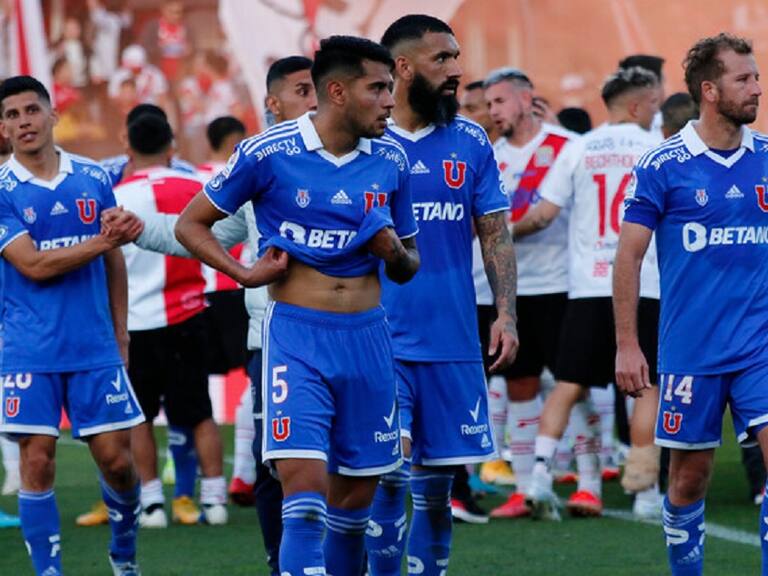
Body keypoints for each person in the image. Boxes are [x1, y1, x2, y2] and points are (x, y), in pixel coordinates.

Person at [174, 36, 419, 575]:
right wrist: (242, 272)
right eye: (378, 88)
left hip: (368, 339)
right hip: (296, 338)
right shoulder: (268, 153)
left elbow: (409, 264)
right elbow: (190, 223)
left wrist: (392, 251)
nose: (389, 101)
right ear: (337, 91)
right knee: (304, 496)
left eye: (391, 89)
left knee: (355, 502)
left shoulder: (393, 157)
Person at [127, 55, 318, 576]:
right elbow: (196, 229)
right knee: (275, 463)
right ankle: (282, 563)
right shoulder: (256, 164)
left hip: (350, 334)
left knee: (353, 465)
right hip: (274, 340)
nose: (316, 97)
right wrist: (138, 228)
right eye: (303, 90)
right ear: (273, 104)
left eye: (319, 88)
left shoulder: (364, 156)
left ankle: (348, 560)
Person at [366, 15, 518, 575]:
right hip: (377, 339)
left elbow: (495, 232)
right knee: (387, 476)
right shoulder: (367, 142)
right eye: (443, 60)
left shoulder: (470, 140)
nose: (457, 71)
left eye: (457, 57)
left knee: (435, 491)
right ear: (402, 67)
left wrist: (506, 315)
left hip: (453, 340)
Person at [615, 33, 768, 575]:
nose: (756, 88)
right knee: (688, 478)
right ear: (709, 90)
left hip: (760, 347)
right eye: (743, 79)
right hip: (691, 350)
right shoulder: (664, 164)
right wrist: (629, 346)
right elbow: (628, 257)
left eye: (756, 77)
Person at [0, 75, 144, 575]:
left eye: (31, 110)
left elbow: (115, 262)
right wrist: (106, 240)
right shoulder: (2, 190)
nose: (24, 122)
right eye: (12, 115)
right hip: (27, 349)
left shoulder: (92, 177)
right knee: (35, 462)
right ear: (2, 128)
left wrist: (121, 331)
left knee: (119, 463)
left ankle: (124, 555)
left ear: (52, 113)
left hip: (94, 345)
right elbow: (34, 265)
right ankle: (49, 572)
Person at [514, 66, 661, 519]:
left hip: (587, 284)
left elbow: (542, 215)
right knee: (646, 385)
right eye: (655, 103)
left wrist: (499, 236)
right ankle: (644, 490)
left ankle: (539, 473)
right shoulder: (658, 150)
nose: (657, 111)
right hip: (644, 282)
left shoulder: (579, 148)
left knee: (568, 382)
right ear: (637, 105)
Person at [114, 111, 228, 528]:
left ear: (128, 145)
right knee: (199, 413)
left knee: (140, 417)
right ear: (171, 143)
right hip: (190, 314)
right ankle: (214, 501)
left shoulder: (118, 197)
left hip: (139, 325)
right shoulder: (197, 188)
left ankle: (152, 504)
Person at [481, 66, 575, 519]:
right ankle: (523, 487)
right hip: (513, 291)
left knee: (573, 380)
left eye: (499, 101)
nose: (492, 112)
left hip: (562, 283)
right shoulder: (489, 156)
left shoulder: (565, 147)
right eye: (489, 104)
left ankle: (587, 482)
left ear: (525, 98)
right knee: (518, 384)